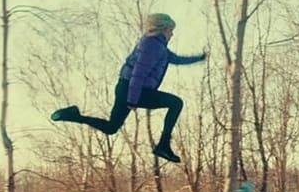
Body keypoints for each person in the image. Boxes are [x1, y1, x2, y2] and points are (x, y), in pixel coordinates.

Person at [51, 12, 206, 162]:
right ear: (163, 29)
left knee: (111, 128)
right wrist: (132, 99)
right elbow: (138, 73)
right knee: (176, 103)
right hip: (134, 90)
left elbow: (176, 59)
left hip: (127, 88)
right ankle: (163, 145)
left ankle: (73, 115)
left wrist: (199, 58)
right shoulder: (152, 46)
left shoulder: (157, 46)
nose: (172, 34)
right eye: (170, 30)